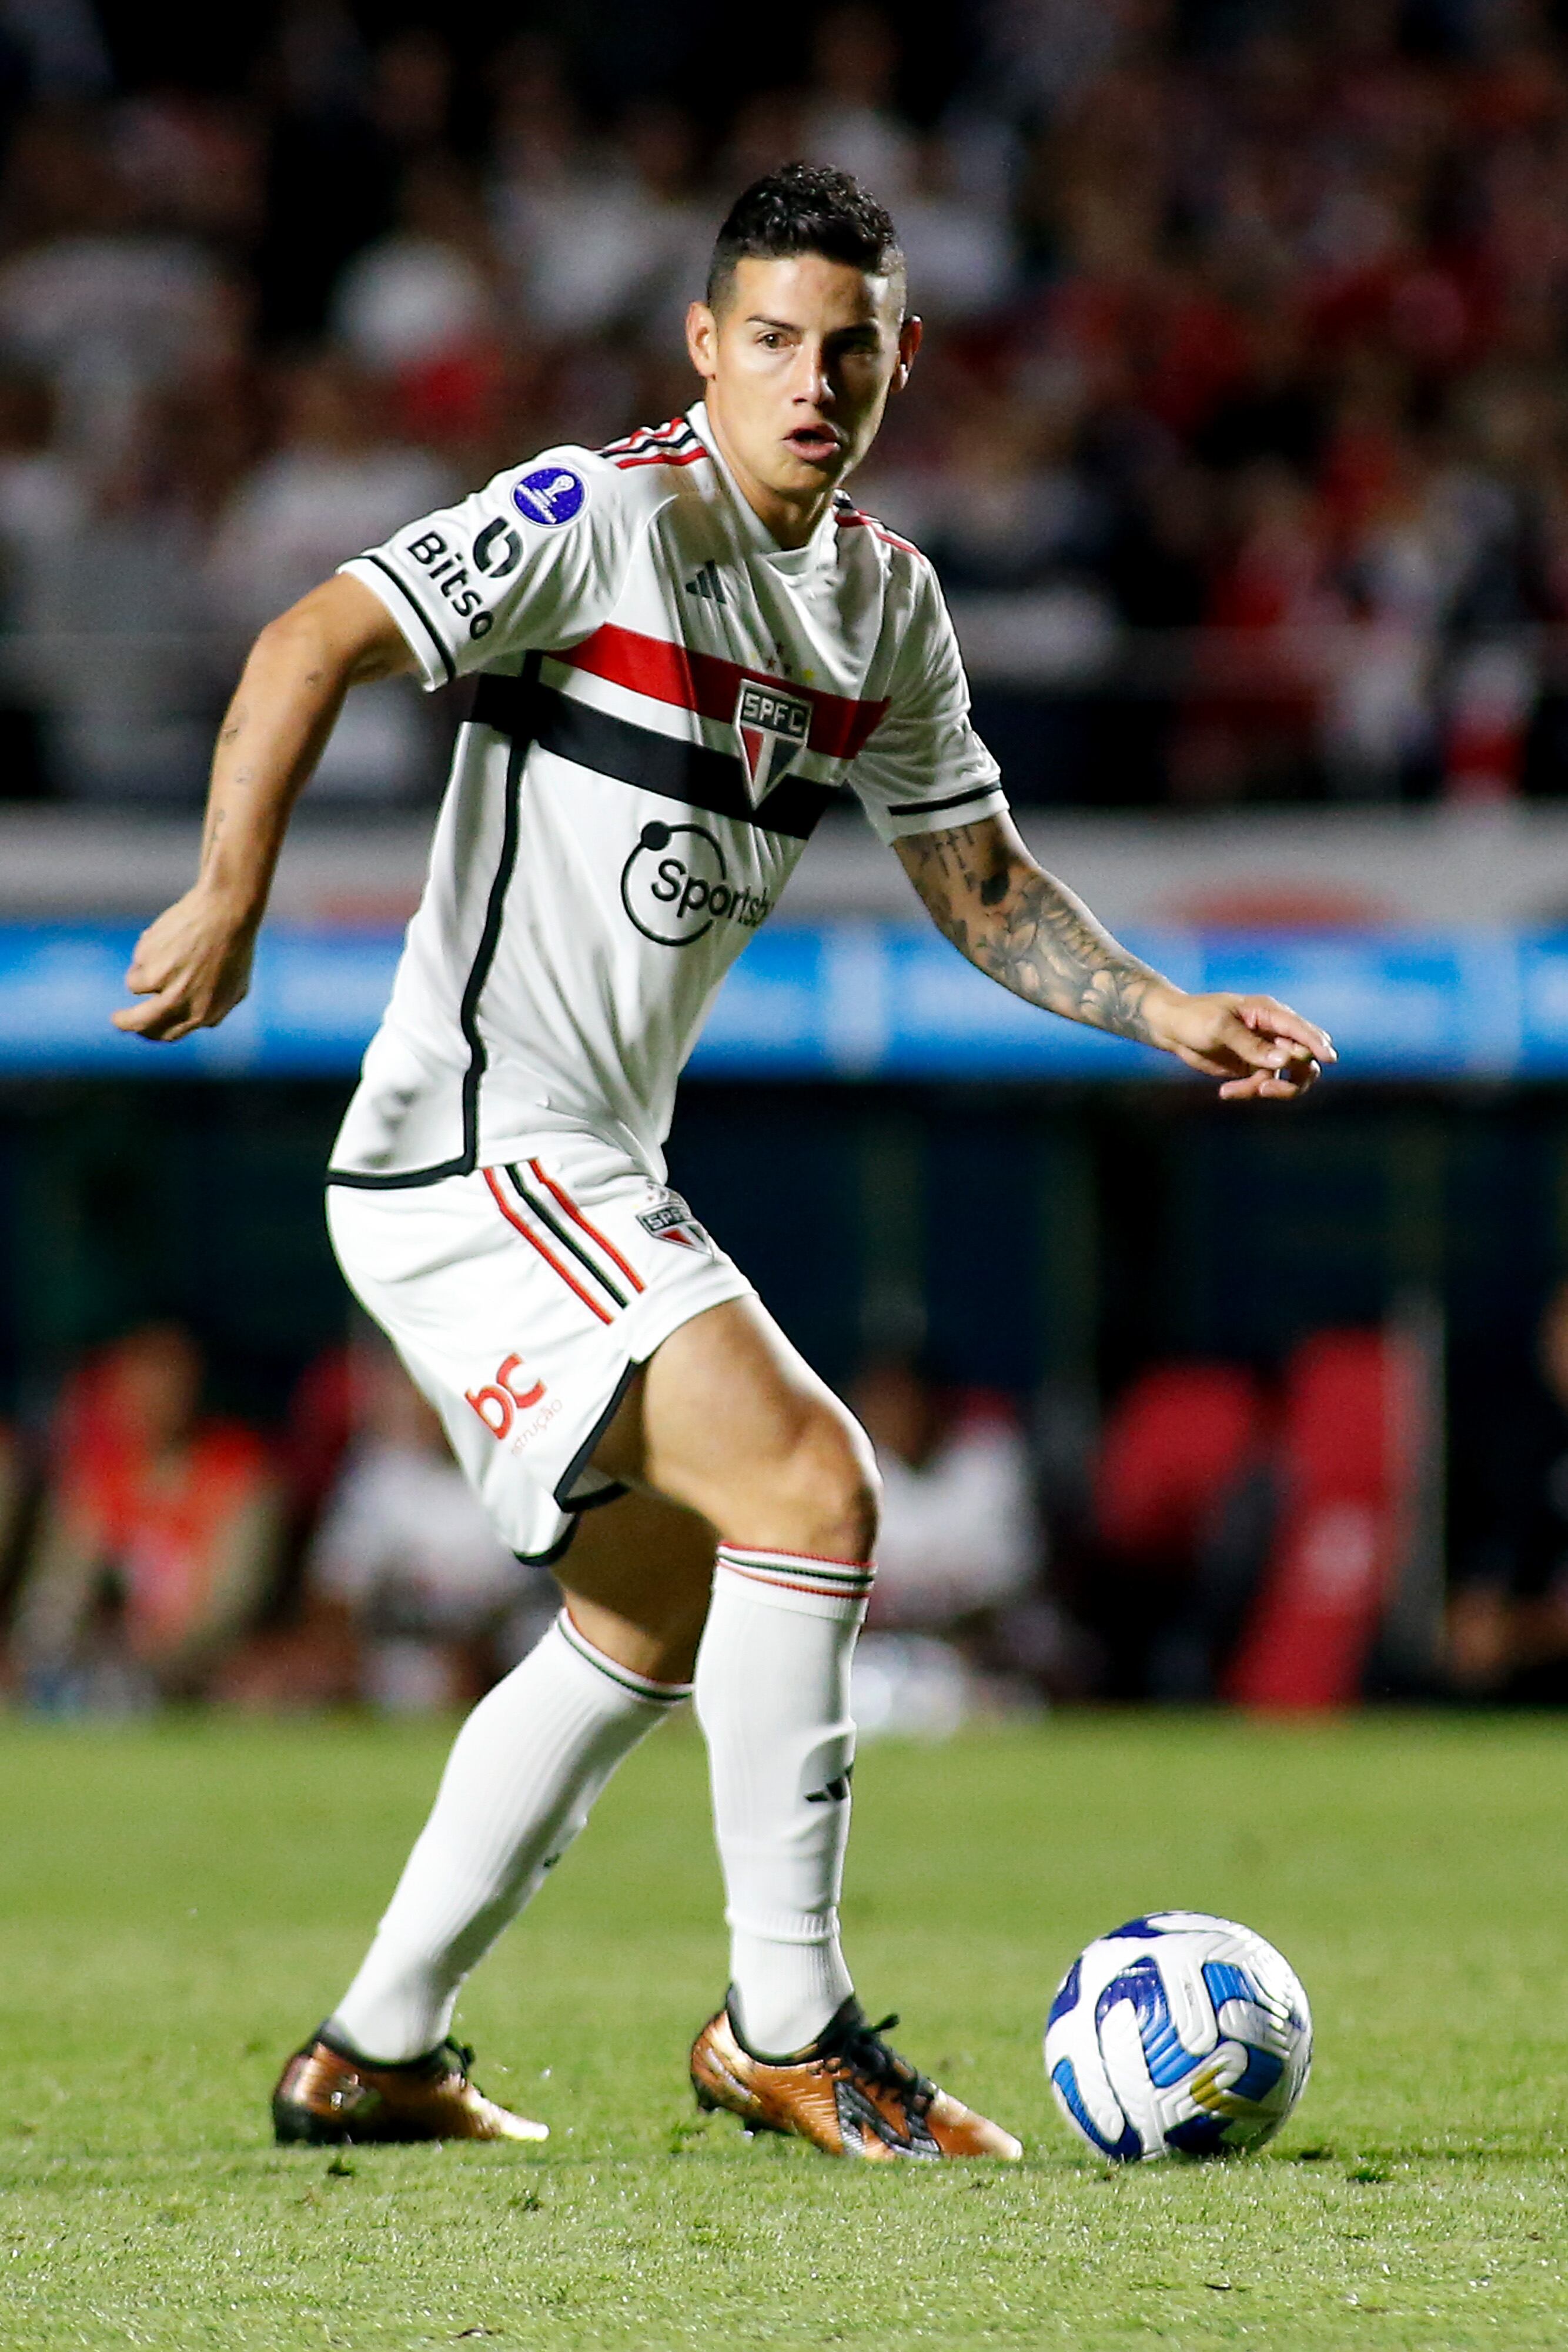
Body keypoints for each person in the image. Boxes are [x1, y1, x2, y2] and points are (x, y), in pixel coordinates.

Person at [113, 163, 1333, 2164]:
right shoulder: (595, 515)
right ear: (704, 345)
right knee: (814, 1480)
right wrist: (231, 891)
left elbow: (980, 880)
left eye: (848, 347)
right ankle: (788, 2024)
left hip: (581, 1157)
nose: (811, 379)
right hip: (478, 1148)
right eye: (771, 338)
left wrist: (1161, 1010)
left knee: (655, 1614)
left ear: (900, 363)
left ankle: (376, 2048)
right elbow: (307, 634)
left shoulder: (884, 603)